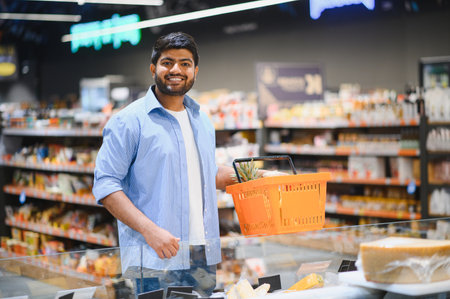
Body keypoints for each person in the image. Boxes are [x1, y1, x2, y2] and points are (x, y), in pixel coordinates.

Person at [92, 32, 238, 296]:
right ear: (153, 68)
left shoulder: (201, 121)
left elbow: (203, 174)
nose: (176, 70)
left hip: (201, 255)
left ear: (195, 71)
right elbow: (105, 185)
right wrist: (150, 230)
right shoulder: (128, 121)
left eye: (185, 63)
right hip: (154, 257)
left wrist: (251, 175)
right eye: (167, 62)